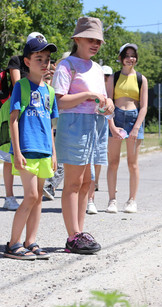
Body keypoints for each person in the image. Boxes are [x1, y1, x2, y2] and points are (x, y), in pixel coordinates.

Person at [52, 16, 113, 254]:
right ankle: (72, 235)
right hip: (74, 125)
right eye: (91, 39)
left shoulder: (97, 68)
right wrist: (87, 95)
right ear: (77, 39)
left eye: (99, 40)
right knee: (74, 182)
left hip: (95, 125)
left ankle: (80, 232)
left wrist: (108, 106)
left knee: (88, 182)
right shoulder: (67, 65)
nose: (96, 44)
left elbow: (102, 100)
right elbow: (59, 101)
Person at [4, 36, 58, 260]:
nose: (45, 63)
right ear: (27, 61)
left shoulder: (50, 91)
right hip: (26, 150)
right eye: (39, 58)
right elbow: (13, 120)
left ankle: (31, 241)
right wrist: (16, 152)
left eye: (47, 59)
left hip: (44, 151)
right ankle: (13, 243)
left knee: (38, 199)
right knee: (31, 196)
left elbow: (50, 123)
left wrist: (54, 153)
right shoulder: (21, 86)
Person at [0, 31, 45, 210]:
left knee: (29, 153)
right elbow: (17, 84)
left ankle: (31, 195)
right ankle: (9, 196)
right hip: (13, 109)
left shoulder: (42, 65)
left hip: (33, 113)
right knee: (9, 155)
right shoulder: (16, 60)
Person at [105, 42, 148, 214]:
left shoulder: (141, 79)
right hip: (116, 118)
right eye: (127, 55)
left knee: (133, 164)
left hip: (133, 119)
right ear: (121, 58)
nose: (131, 58)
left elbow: (144, 106)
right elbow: (107, 104)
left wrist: (137, 127)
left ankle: (132, 200)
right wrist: (112, 125)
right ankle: (112, 200)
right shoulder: (113, 78)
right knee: (113, 162)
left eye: (133, 56)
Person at [85, 64, 113, 215]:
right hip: (87, 128)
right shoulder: (91, 87)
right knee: (89, 168)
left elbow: (109, 114)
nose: (106, 79)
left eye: (108, 76)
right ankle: (89, 200)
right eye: (104, 76)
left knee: (97, 163)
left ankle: (91, 198)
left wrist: (113, 128)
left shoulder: (107, 92)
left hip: (101, 130)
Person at [42, 52, 69, 201]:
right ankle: (46, 184)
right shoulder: (48, 79)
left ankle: (50, 185)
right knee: (53, 157)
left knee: (61, 160)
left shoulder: (73, 81)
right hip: (50, 124)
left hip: (64, 125)